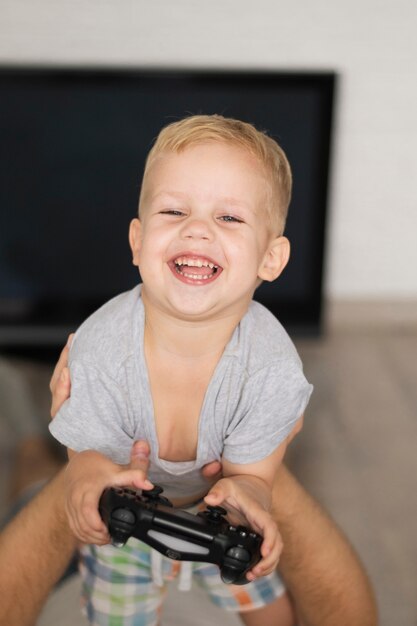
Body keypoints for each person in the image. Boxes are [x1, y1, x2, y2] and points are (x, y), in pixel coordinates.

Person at [48, 114, 314, 626]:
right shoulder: (101, 348)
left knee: (271, 606)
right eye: (174, 210)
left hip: (219, 522)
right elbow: (85, 460)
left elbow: (253, 480)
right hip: (123, 523)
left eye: (230, 218)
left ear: (271, 258)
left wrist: (249, 494)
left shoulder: (272, 367)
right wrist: (86, 481)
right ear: (137, 241)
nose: (197, 229)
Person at [0, 341, 378, 626]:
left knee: (39, 478)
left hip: (98, 544)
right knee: (248, 478)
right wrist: (260, 462)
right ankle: (259, 420)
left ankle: (28, 431)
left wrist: (81, 458)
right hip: (220, 536)